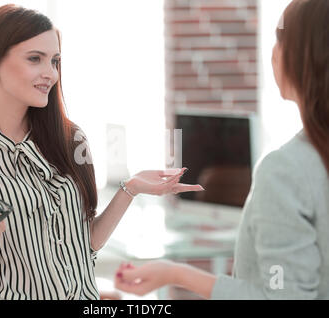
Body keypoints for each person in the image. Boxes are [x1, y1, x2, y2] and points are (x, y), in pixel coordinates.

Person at [0, 4, 204, 300]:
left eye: (55, 61)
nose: (50, 73)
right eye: (35, 59)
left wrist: (131, 188)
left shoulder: (72, 139)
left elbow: (87, 242)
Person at [114, 0, 329, 300]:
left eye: (280, 39)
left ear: (304, 58)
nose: (273, 53)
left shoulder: (287, 169)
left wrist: (176, 273)